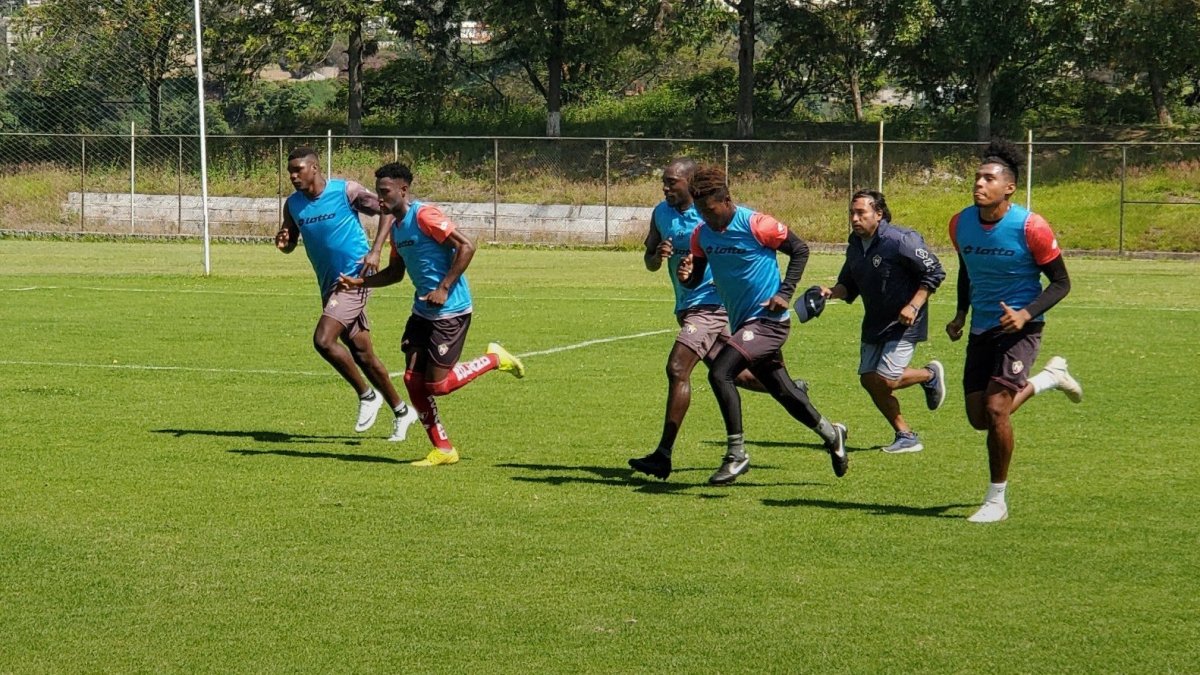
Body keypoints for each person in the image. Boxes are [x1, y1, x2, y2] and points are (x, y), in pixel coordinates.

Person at [628, 158, 806, 481]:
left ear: (690, 182)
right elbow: (649, 261)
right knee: (733, 375)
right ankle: (793, 391)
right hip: (687, 302)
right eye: (664, 182)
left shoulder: (711, 210)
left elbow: (750, 240)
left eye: (672, 182)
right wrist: (659, 256)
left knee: (678, 368)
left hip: (711, 305)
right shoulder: (661, 214)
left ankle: (663, 455)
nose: (666, 187)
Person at [338, 162, 525, 467]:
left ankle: (494, 359)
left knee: (439, 385)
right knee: (413, 380)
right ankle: (444, 449)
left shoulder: (425, 215)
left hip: (450, 310)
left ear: (403, 190)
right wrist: (361, 282)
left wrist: (444, 287)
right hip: (422, 311)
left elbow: (467, 246)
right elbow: (397, 273)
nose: (380, 199)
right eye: (378, 192)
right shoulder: (397, 229)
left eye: (385, 192)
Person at [677, 165, 848, 485]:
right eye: (700, 210)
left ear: (726, 200)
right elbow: (696, 279)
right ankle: (831, 433)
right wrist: (685, 276)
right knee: (785, 393)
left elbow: (800, 249)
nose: (706, 216)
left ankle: (736, 455)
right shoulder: (701, 234)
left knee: (720, 372)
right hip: (744, 323)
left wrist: (785, 293)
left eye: (710, 209)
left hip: (769, 322)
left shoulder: (757, 224)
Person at [946, 139, 1083, 523]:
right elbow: (966, 269)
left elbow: (1061, 283)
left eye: (988, 178)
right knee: (978, 417)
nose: (979, 184)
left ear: (1008, 187)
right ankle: (1050, 379)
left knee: (995, 409)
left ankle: (996, 500)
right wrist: (960, 313)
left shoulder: (1030, 226)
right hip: (982, 327)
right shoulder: (961, 223)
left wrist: (1025, 314)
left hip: (1022, 328)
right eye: (976, 177)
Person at [275, 146, 419, 441]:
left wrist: (376, 250)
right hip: (329, 285)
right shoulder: (293, 204)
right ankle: (403, 411)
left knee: (323, 340)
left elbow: (386, 208)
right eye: (290, 171)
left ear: (314, 168)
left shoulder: (346, 192)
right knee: (363, 354)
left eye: (298, 170)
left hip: (354, 279)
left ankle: (367, 395)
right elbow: (289, 242)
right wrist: (284, 240)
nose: (292, 176)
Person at [820, 190, 947, 454]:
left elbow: (934, 270)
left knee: (887, 380)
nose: (854, 219)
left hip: (905, 321)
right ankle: (906, 435)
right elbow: (848, 284)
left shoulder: (900, 240)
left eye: (861, 213)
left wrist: (914, 305)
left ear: (878, 214)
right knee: (869, 380)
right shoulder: (855, 244)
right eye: (851, 213)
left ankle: (929, 375)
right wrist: (831, 292)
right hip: (875, 321)